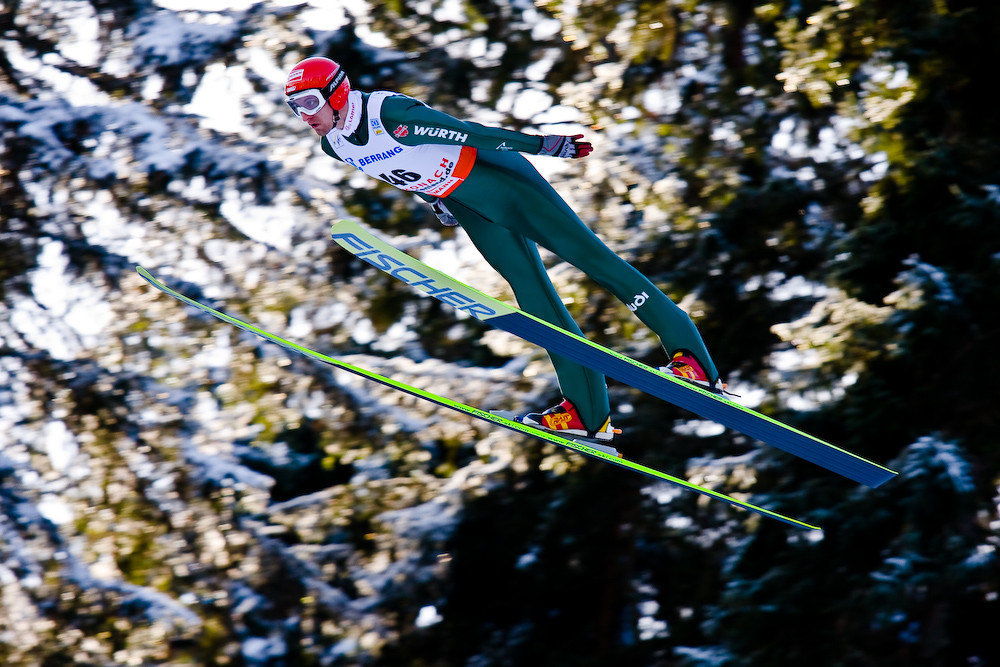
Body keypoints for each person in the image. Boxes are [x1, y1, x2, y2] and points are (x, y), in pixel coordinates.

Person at [284, 56, 723, 448]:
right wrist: (434, 199)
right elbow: (398, 169)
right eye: (295, 108)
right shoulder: (334, 144)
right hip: (465, 201)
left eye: (308, 104)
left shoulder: (390, 114)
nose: (305, 117)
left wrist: (544, 145)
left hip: (500, 181)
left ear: (337, 93)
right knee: (532, 298)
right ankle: (587, 413)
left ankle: (693, 360)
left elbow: (469, 134)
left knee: (594, 261)